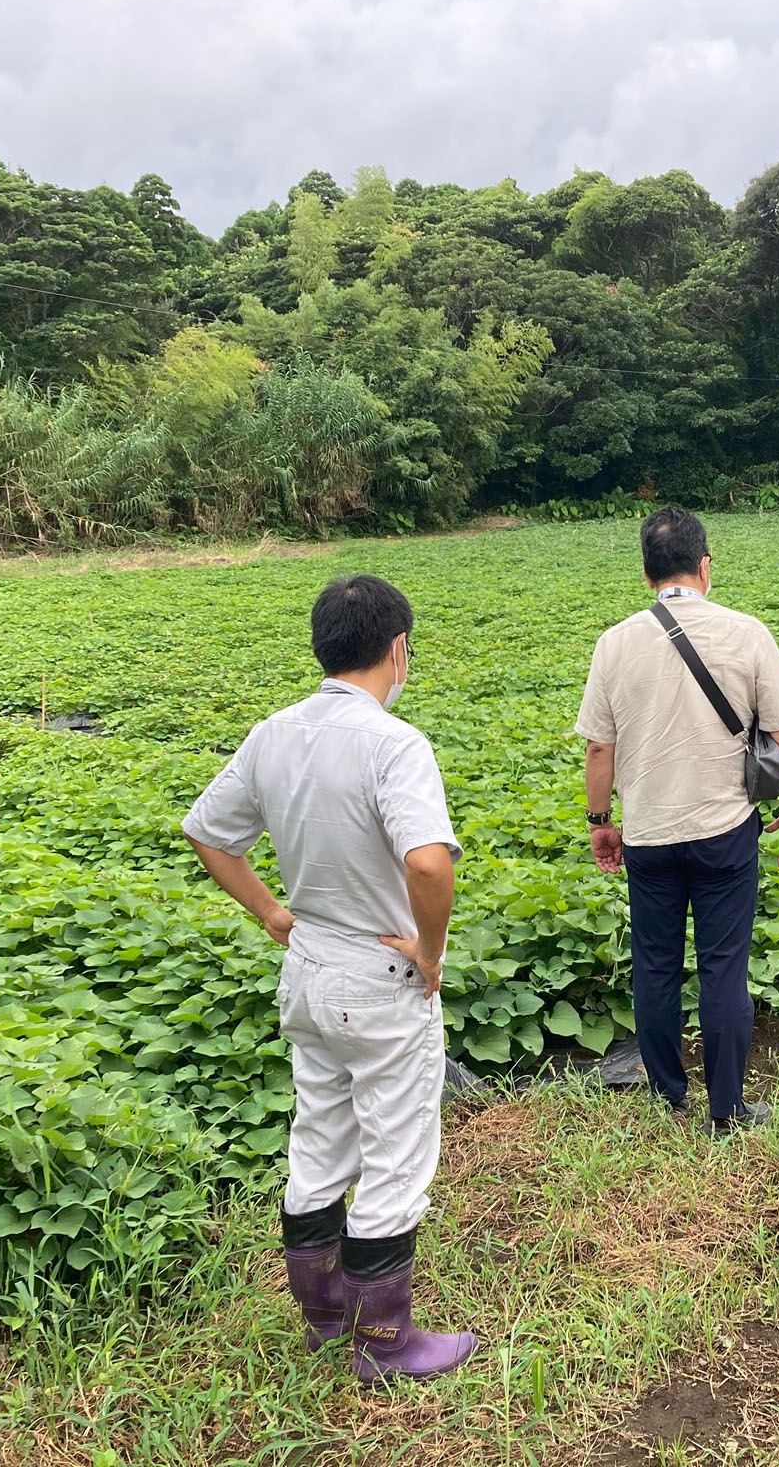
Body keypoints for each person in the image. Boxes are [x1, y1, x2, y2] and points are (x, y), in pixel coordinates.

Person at [182, 575, 474, 1384]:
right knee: (394, 1154)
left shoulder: (274, 733)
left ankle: (324, 1320)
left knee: (319, 1138)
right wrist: (429, 949)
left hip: (307, 966)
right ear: (397, 650)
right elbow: (426, 860)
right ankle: (386, 1344)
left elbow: (206, 833)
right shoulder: (393, 743)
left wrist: (275, 915)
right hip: (376, 975)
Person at [576, 505, 779, 1134]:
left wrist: (602, 820)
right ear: (704, 566)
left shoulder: (615, 642)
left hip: (649, 834)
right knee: (723, 966)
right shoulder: (746, 632)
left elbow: (598, 748)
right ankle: (727, 1107)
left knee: (655, 965)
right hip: (725, 831)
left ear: (646, 574)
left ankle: (666, 1093)